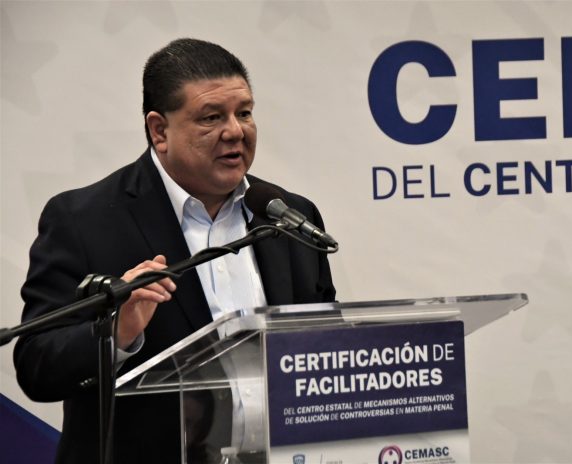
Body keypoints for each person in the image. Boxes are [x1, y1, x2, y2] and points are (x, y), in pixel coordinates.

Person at [13, 38, 336, 463]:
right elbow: (36, 367)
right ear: (159, 130)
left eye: (244, 113)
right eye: (211, 117)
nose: (235, 131)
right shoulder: (84, 220)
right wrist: (117, 333)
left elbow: (323, 348)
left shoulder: (288, 216)